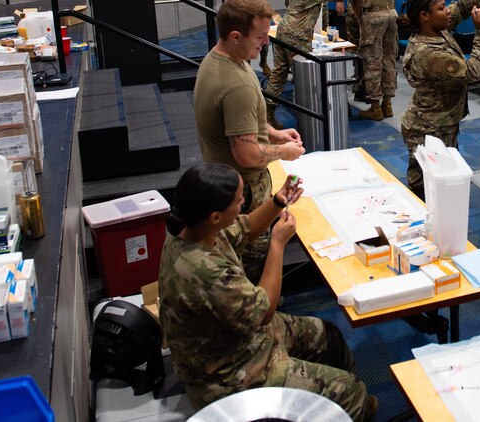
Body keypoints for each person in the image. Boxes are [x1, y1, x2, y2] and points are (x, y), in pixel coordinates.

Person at [159, 162, 374, 420]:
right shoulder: (206, 271)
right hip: (230, 375)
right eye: (238, 201)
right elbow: (265, 312)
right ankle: (348, 405)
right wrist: (277, 243)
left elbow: (245, 227)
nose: (243, 203)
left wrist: (277, 202)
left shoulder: (193, 228)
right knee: (354, 394)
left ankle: (329, 402)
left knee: (330, 337)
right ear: (215, 216)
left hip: (238, 339)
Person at [193, 0, 306, 279]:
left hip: (230, 182)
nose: (266, 42)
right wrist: (285, 152)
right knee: (253, 270)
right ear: (235, 36)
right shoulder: (235, 84)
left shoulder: (221, 59)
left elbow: (241, 123)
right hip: (243, 192)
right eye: (259, 37)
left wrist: (274, 133)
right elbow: (246, 153)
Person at [399, 0, 480, 199]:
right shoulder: (428, 52)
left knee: (441, 181)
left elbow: (461, 6)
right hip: (429, 129)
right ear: (424, 16)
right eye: (441, 8)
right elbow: (473, 72)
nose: (447, 11)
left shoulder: (436, 29)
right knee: (427, 189)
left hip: (441, 122)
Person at [265, 0, 358, 129]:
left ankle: (267, 115)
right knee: (303, 78)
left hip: (283, 30)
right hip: (297, 36)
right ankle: (308, 120)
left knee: (279, 73)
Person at [354, 0, 398, 121]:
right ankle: (388, 104)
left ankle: (375, 106)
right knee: (389, 59)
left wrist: (358, 17)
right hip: (391, 13)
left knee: (372, 61)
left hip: (373, 15)